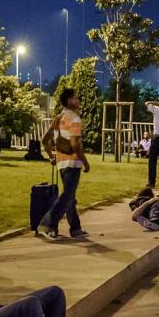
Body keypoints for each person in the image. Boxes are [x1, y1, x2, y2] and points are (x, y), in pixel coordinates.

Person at [38, 87, 89, 240]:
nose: (78, 100)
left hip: (61, 162)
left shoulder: (58, 118)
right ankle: (47, 225)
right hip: (73, 163)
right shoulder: (74, 118)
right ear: (69, 101)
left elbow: (45, 140)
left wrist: (51, 156)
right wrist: (85, 162)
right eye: (75, 98)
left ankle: (76, 228)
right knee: (67, 196)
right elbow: (75, 144)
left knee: (69, 197)